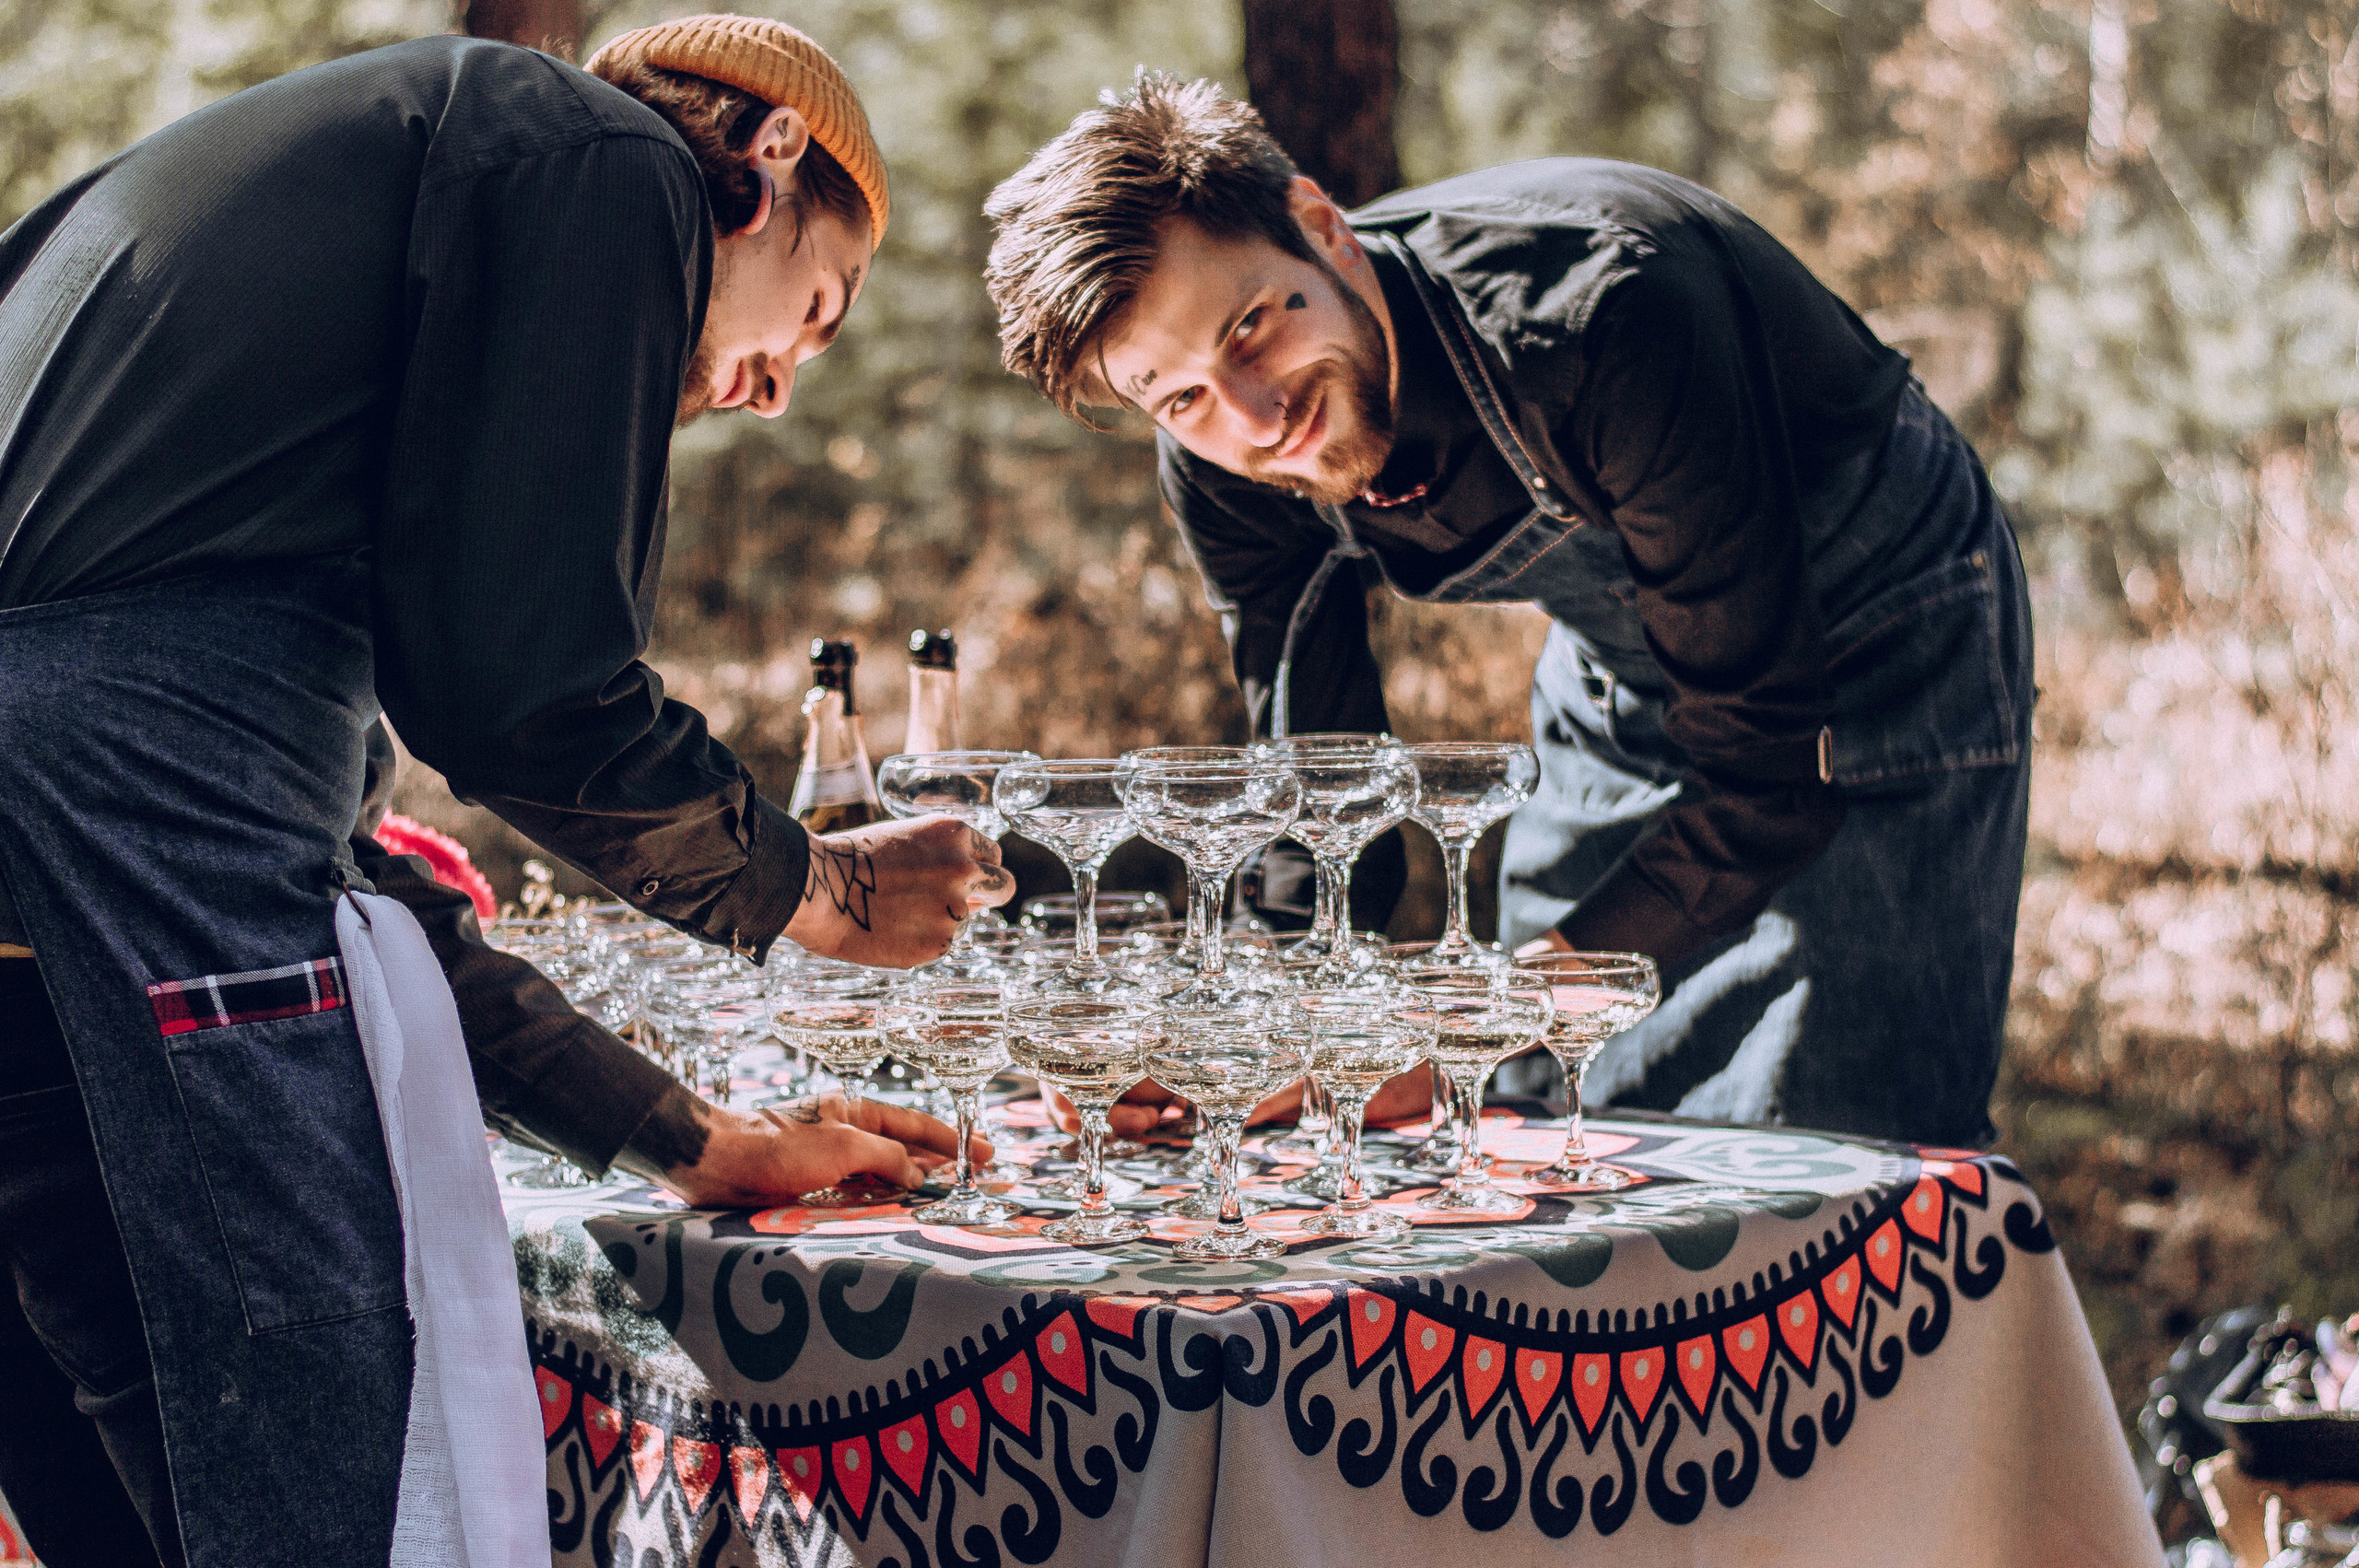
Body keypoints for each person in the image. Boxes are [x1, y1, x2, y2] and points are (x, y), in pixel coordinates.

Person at [0, 16, 1006, 1568]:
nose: (780, 388)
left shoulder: (240, 432)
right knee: (307, 1455)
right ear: (771, 151)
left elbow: (339, 889)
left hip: (54, 976)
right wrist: (821, 889)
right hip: (134, 889)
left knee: (129, 1504)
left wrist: (688, 1137)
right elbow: (528, 695)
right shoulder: (600, 160)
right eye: (824, 304)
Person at [984, 76, 2033, 1148]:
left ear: (1320, 228)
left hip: (1876, 633)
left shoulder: (1603, 316)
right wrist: (1231, 1039)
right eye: (1181, 397)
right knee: (1564, 1117)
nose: (1254, 415)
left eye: (1250, 325)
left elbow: (1766, 781)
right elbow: (1323, 797)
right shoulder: (1219, 465)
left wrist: (1461, 1030)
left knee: (1828, 1147)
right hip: (1620, 678)